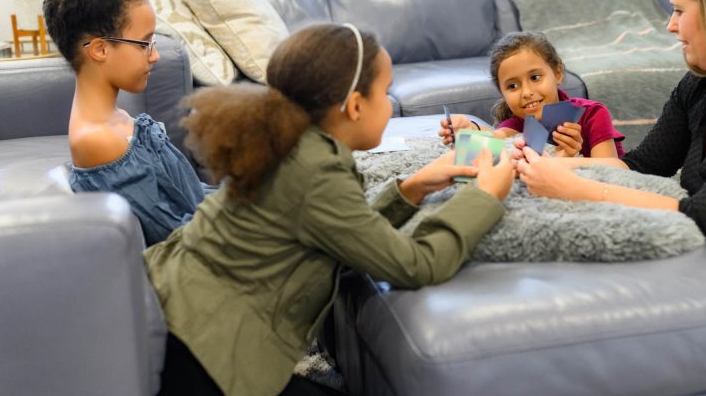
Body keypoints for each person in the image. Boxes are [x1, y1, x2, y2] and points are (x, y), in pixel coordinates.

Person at [143, 23, 515, 395]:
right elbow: (416, 265)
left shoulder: (292, 144)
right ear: (355, 107)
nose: (388, 103)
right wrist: (482, 196)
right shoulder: (316, 170)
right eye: (384, 93)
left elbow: (345, 233)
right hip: (202, 357)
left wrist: (411, 188)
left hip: (175, 319)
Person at [514, 0, 706, 265]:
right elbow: (641, 167)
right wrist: (549, 164)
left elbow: (704, 217)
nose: (670, 26)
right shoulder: (700, 85)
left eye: (678, 10)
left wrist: (574, 187)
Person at [43, 0, 205, 246]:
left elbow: (193, 200)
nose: (155, 55)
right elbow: (175, 237)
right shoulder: (100, 140)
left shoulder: (116, 124)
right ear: (100, 49)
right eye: (144, 43)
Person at [439, 31, 625, 157]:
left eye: (535, 77)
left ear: (558, 73)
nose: (527, 92)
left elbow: (612, 171)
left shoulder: (592, 114)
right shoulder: (517, 123)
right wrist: (472, 130)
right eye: (512, 86)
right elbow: (497, 138)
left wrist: (569, 159)